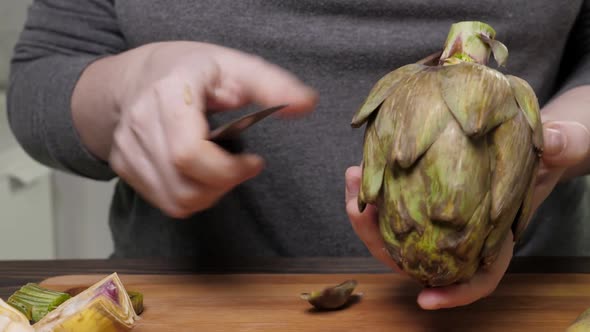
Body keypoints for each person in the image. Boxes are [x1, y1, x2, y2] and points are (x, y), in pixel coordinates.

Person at [7, 0, 590, 310]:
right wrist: (126, 88)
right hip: (191, 302)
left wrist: (551, 141)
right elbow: (42, 72)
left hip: (533, 301)